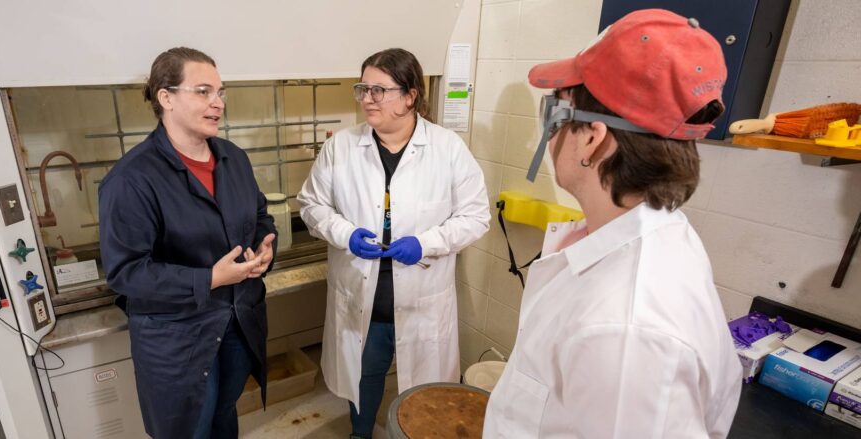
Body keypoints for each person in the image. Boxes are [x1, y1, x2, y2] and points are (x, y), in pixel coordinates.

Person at [483, 9, 741, 438]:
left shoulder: (625, 332)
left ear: (592, 138)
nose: (548, 134)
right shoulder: (652, 234)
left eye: (555, 112)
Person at [298, 48, 490, 438]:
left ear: (410, 95)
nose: (368, 98)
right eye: (363, 88)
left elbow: (476, 217)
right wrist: (344, 233)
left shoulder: (448, 149)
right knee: (363, 377)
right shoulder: (342, 148)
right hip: (363, 296)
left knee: (425, 391)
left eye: (379, 90)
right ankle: (360, 432)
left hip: (423, 296)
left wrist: (427, 243)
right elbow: (312, 204)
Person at [98, 47, 276, 439]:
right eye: (203, 92)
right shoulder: (132, 180)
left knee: (224, 415)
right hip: (176, 337)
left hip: (237, 322)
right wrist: (209, 278)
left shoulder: (233, 159)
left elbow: (261, 216)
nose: (218, 103)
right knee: (189, 429)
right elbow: (126, 272)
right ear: (166, 97)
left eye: (221, 92)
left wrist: (266, 249)